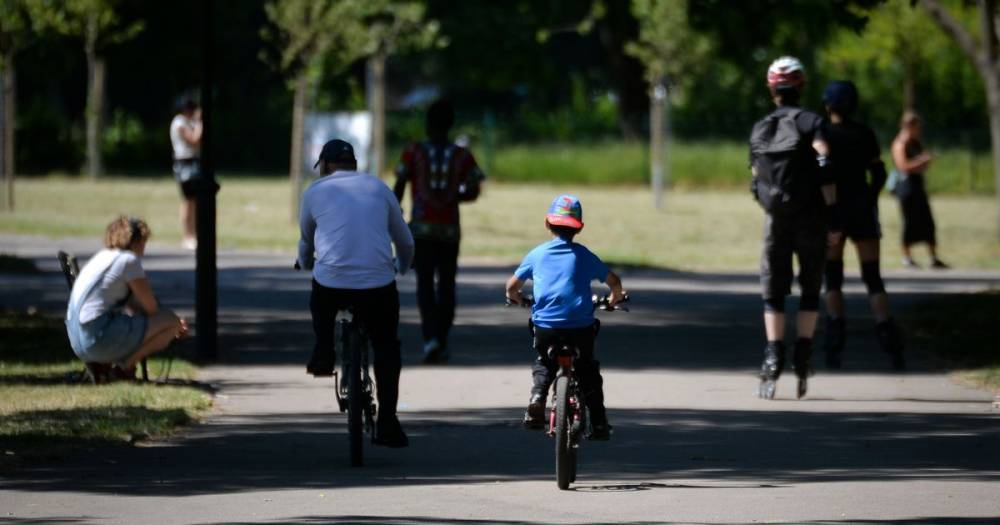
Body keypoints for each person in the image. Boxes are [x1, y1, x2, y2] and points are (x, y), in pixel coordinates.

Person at [298, 139, 415, 448]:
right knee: (387, 346)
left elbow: (307, 240)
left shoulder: (314, 191)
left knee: (319, 294)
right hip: (378, 284)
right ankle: (388, 422)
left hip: (332, 284)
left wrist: (306, 261)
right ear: (354, 165)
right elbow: (405, 241)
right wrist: (401, 267)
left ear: (324, 166)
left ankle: (323, 351)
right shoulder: (379, 188)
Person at [749, 56, 842, 399]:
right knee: (810, 286)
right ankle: (802, 355)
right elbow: (825, 165)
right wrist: (833, 218)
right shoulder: (812, 122)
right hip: (812, 217)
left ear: (771, 89)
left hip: (775, 219)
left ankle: (772, 357)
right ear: (800, 86)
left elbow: (756, 178)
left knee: (773, 290)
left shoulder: (761, 126)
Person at [505, 195, 624, 441]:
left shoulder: (537, 254)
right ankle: (599, 423)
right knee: (588, 369)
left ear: (547, 224)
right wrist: (613, 301)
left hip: (546, 326)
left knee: (543, 361)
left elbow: (511, 287)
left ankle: (538, 395)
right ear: (579, 228)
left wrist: (517, 298)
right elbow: (614, 282)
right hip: (580, 327)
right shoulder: (584, 255)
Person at [820, 81, 905, 371]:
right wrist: (869, 198)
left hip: (833, 213)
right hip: (863, 211)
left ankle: (834, 337)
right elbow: (879, 172)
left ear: (828, 105)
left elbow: (822, 173)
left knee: (832, 277)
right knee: (872, 277)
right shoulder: (865, 133)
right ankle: (888, 338)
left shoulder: (823, 134)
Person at [394, 99, 485, 363]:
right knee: (447, 285)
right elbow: (474, 189)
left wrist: (394, 211)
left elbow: (399, 183)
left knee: (424, 284)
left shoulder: (413, 151)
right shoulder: (461, 155)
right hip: (449, 231)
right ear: (451, 125)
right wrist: (454, 197)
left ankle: (429, 338)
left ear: (427, 124)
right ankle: (442, 339)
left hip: (420, 230)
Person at [65, 216, 188, 376]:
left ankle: (110, 366)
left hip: (77, 340)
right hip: (97, 339)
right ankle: (124, 367)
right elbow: (151, 308)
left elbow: (130, 304)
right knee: (171, 321)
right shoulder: (129, 260)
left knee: (161, 320)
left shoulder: (102, 257)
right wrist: (178, 323)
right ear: (137, 241)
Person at [891, 111, 948, 269]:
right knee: (909, 222)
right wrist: (921, 160)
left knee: (927, 222)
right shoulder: (900, 143)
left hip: (918, 185)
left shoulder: (916, 142)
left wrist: (925, 161)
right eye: (917, 126)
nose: (919, 129)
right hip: (906, 188)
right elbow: (903, 166)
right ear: (909, 125)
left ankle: (933, 257)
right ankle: (907, 258)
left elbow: (921, 163)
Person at [170, 97, 203, 251]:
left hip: (193, 162)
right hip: (185, 164)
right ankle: (187, 236)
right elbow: (195, 139)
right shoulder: (179, 122)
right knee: (187, 201)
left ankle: (193, 235)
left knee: (194, 201)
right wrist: (199, 122)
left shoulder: (186, 123)